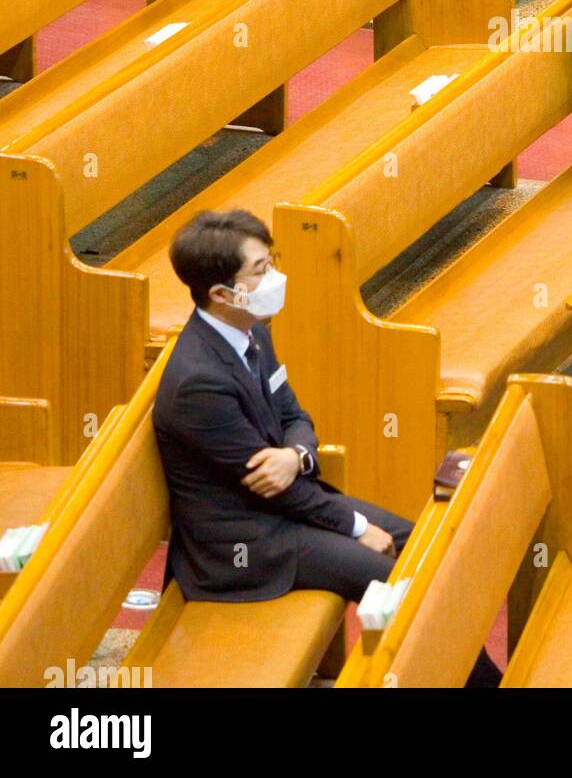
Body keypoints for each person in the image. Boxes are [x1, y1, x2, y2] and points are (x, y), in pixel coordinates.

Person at [154, 208, 501, 685]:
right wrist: (356, 526)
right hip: (243, 544)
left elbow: (297, 418)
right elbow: (267, 487)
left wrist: (295, 456)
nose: (275, 277)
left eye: (271, 261)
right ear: (220, 293)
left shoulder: (253, 331)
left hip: (284, 507)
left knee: (425, 545)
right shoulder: (200, 382)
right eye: (261, 270)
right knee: (387, 578)